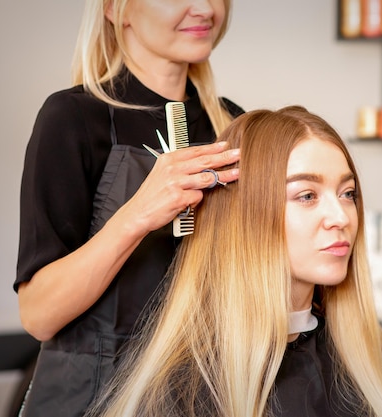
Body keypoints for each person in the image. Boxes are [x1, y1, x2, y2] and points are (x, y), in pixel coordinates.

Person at [89, 106, 382, 417]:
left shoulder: (373, 368)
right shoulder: (181, 395)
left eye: (348, 192)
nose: (341, 217)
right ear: (243, 216)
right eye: (307, 195)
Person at [13, 1, 243, 416]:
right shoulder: (73, 118)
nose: (205, 9)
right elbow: (39, 314)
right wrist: (139, 215)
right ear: (116, 9)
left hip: (200, 394)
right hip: (91, 397)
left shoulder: (231, 125)